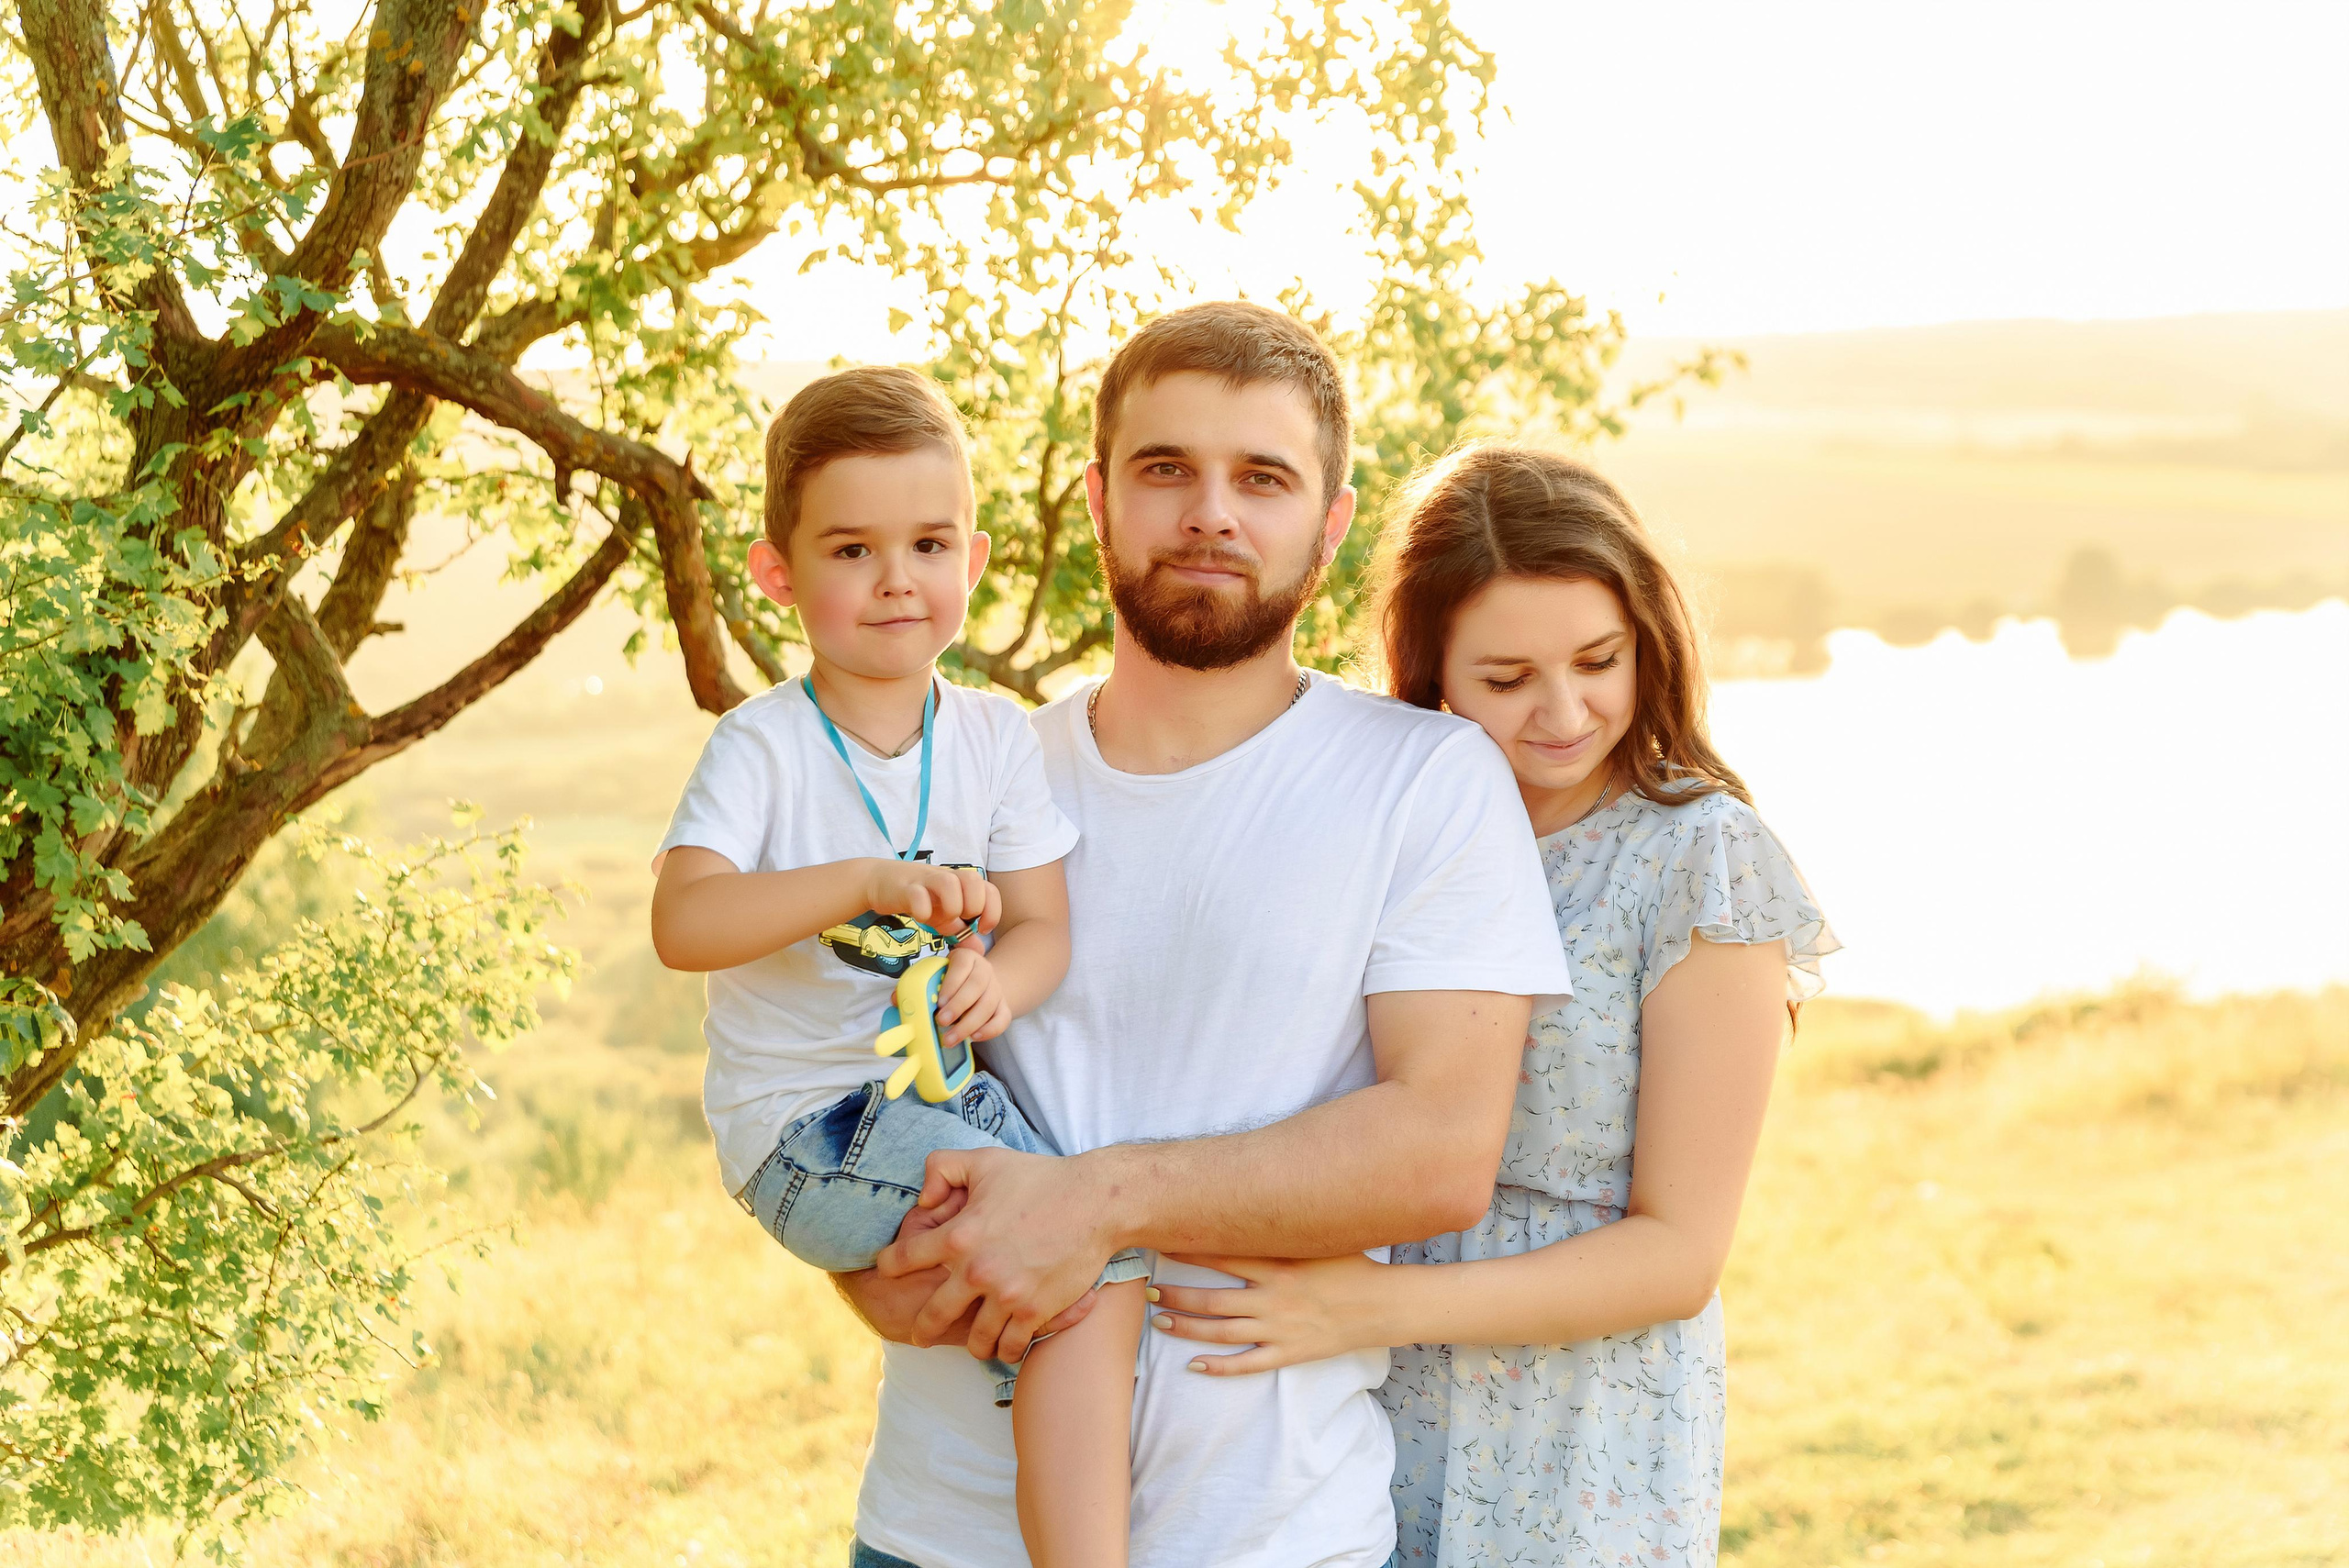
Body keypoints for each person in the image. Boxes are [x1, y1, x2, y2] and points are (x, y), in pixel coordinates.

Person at [834, 303, 1576, 1568]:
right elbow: (841, 1091)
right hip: (939, 1530)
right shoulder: (964, 776)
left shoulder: (1425, 781)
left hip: (1268, 1534)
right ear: (1098, 495)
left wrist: (1099, 1201)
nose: (1210, 515)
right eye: (1166, 468)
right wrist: (863, 1260)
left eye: (1264, 478)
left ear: (1332, 521)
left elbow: (1440, 1151)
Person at [1150, 444, 1839, 1566]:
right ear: (1429, 676)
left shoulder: (1698, 859)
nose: (1562, 712)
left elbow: (1677, 1254)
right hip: (1346, 1399)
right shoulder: (1387, 824)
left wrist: (1365, 1308)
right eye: (1506, 678)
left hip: (1576, 1427)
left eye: (1597, 660)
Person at [647, 366, 1152, 1567]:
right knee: (1096, 1253)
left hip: (930, 1100)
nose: (896, 580)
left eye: (928, 544)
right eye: (852, 549)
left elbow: (1041, 931)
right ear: (778, 574)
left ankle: (1032, 1465)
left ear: (972, 561)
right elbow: (685, 923)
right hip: (810, 1128)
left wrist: (1002, 987)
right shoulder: (761, 747)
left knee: (1051, 1253)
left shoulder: (990, 738)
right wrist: (864, 880)